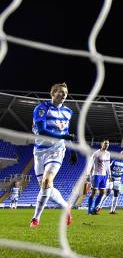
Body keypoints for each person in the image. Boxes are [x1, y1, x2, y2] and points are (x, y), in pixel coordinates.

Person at [30, 82, 77, 228]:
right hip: (39, 152)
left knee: (46, 182)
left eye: (65, 93)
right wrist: (65, 137)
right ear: (53, 93)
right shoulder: (41, 109)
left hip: (57, 151)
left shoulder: (68, 112)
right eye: (60, 92)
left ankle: (35, 218)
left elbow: (66, 133)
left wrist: (72, 150)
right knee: (46, 188)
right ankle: (66, 206)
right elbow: (42, 131)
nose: (63, 95)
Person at [96, 150, 123, 214]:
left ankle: (112, 210)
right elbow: (109, 169)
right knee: (108, 192)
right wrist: (109, 176)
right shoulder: (115, 161)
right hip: (111, 178)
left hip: (118, 180)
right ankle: (99, 207)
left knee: (116, 194)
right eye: (122, 154)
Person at [87, 140, 111, 215]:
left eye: (108, 144)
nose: (107, 145)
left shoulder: (108, 154)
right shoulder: (96, 153)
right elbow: (90, 164)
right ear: (102, 144)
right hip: (96, 174)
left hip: (104, 176)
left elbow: (107, 165)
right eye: (105, 143)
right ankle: (89, 209)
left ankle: (94, 209)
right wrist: (88, 175)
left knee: (102, 193)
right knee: (93, 192)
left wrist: (109, 175)